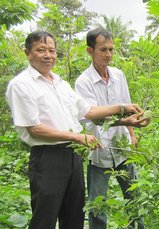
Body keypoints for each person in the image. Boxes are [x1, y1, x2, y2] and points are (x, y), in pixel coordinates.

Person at [5, 31, 149, 229]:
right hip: (48, 157)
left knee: (74, 216)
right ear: (27, 53)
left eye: (52, 50)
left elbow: (88, 110)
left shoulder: (60, 83)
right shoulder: (21, 85)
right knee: (45, 216)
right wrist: (77, 136)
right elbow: (34, 129)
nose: (48, 55)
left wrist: (123, 109)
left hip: (73, 155)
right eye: (41, 50)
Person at [74, 27, 145, 229]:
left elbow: (128, 104)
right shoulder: (83, 82)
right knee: (98, 204)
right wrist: (122, 111)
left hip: (122, 147)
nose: (108, 55)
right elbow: (93, 115)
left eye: (111, 50)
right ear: (90, 51)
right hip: (99, 148)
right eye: (103, 50)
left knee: (134, 197)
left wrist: (132, 133)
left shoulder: (118, 75)